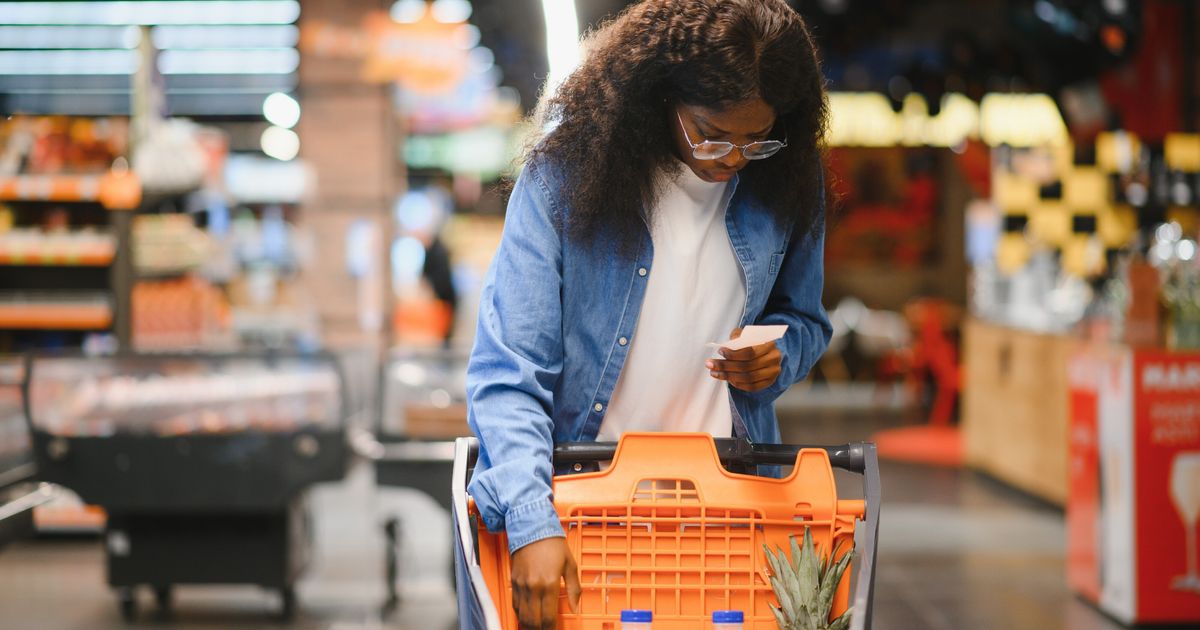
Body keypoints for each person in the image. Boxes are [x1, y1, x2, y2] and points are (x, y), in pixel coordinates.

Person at [466, 1, 831, 627]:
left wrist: (779, 354)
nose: (733, 157)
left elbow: (805, 317)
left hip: (727, 508)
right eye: (711, 132)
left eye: (757, 139)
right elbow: (509, 369)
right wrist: (530, 521)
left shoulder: (786, 184)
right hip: (581, 503)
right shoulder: (565, 177)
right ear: (659, 98)